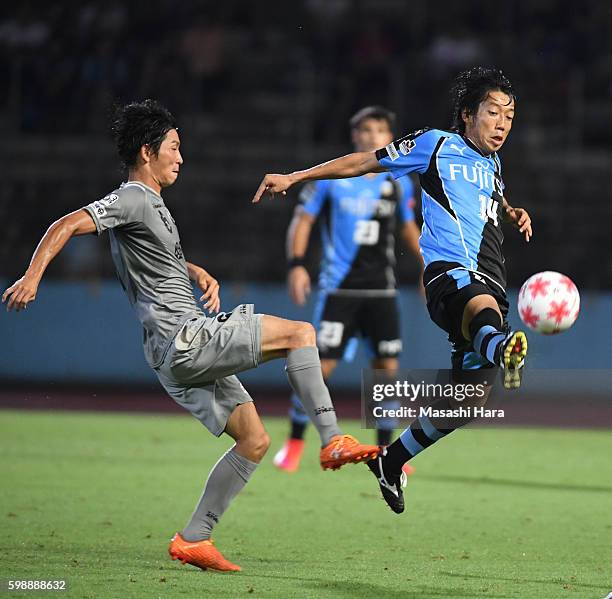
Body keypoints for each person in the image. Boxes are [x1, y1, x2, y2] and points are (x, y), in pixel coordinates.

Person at [2, 100, 380, 571]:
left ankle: (194, 538)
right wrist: (33, 276)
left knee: (254, 439)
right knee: (301, 332)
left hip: (170, 354)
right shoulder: (134, 197)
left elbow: (152, 263)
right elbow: (67, 223)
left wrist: (192, 269)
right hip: (187, 338)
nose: (181, 157)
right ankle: (331, 439)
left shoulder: (151, 205)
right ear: (147, 151)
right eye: (175, 148)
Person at [252, 67, 532, 513]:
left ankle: (392, 460)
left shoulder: (493, 165)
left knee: (466, 403)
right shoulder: (436, 144)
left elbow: (487, 201)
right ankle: (500, 348)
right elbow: (363, 161)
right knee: (482, 315)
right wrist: (295, 176)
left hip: (490, 283)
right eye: (493, 113)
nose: (502, 124)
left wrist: (512, 210)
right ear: (466, 114)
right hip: (450, 277)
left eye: (509, 117)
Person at [273, 106, 423, 473]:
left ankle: (390, 454)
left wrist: (427, 268)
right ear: (355, 138)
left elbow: (409, 230)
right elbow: (302, 221)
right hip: (339, 291)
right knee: (318, 369)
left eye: (380, 130)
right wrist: (297, 265)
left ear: (390, 139)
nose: (373, 136)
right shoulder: (331, 179)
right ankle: (294, 442)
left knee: (386, 373)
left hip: (381, 292)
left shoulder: (399, 182)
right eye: (366, 130)